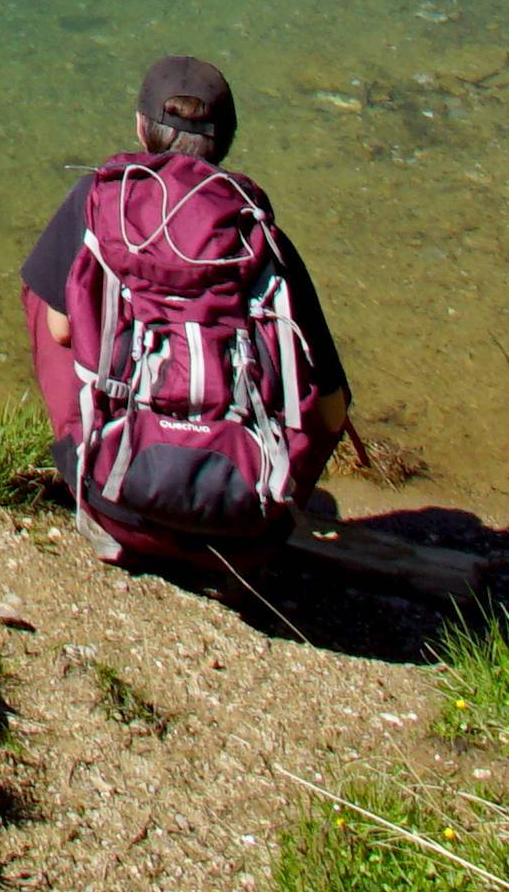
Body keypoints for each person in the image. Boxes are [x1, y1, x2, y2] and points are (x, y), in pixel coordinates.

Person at [21, 52, 351, 563]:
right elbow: (330, 410)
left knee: (48, 296)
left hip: (120, 504)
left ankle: (96, 471)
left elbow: (63, 330)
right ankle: (243, 517)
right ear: (226, 141)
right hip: (246, 529)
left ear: (139, 126)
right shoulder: (258, 234)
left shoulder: (101, 198)